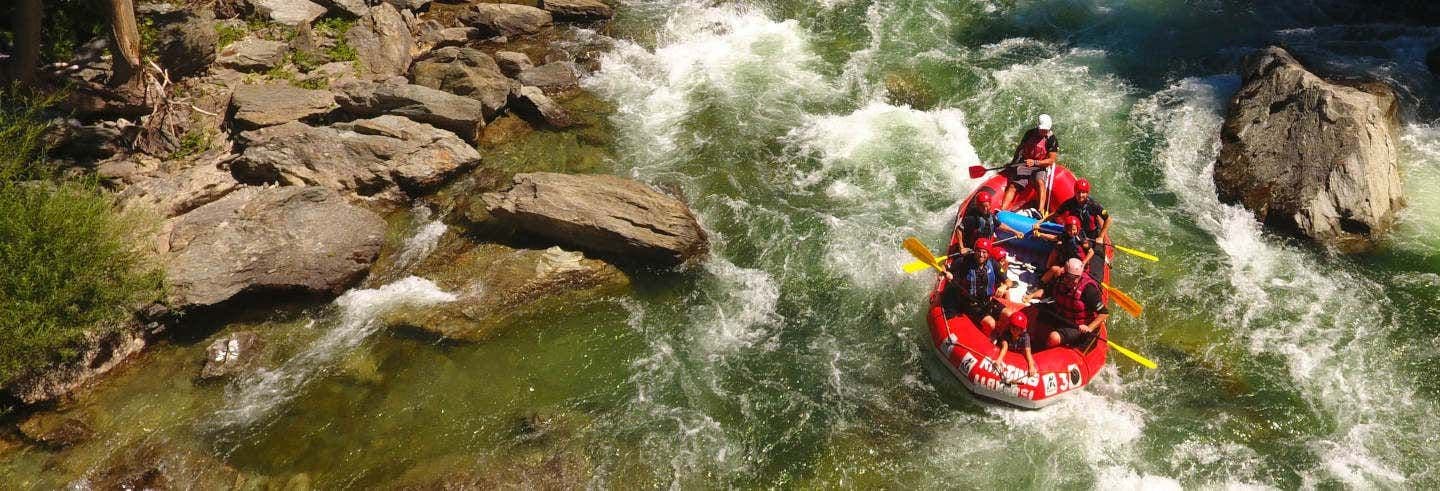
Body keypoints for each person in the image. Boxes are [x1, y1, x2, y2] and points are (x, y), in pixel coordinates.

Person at [1030, 258, 1108, 348]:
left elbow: (1104, 313)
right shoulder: (1060, 279)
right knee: (1037, 314)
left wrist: (1089, 328)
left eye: (1076, 278)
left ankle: (1044, 351)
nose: (1073, 280)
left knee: (1054, 337)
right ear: (1065, 274)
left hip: (1077, 325)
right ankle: (1034, 342)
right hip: (1062, 315)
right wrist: (1031, 296)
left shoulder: (1089, 290)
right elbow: (1046, 292)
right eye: (1069, 277)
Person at [943, 237, 1002, 333]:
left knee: (1008, 314)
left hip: (987, 301)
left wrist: (1004, 286)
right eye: (978, 251)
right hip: (970, 303)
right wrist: (948, 275)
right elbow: (946, 269)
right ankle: (986, 339)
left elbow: (1008, 281)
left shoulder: (992, 263)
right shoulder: (964, 262)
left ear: (988, 254)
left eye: (984, 252)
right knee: (991, 324)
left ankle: (1002, 337)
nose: (981, 255)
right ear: (975, 251)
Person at [1001, 114, 1059, 211]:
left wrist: (1035, 162)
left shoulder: (1052, 140)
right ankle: (1002, 210)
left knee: (1040, 182)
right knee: (1013, 185)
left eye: (1046, 130)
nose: (1044, 131)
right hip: (1025, 164)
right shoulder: (1029, 134)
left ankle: (1040, 212)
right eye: (1042, 129)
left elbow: (1051, 160)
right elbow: (1020, 149)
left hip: (1040, 165)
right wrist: (1013, 164)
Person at [1036, 178, 1111, 243]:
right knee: (1059, 245)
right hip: (1075, 231)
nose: (1081, 195)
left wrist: (1101, 237)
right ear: (1075, 192)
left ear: (1087, 193)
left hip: (1091, 234)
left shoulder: (1093, 205)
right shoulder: (1070, 203)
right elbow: (1056, 214)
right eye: (1078, 192)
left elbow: (1108, 219)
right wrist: (1041, 222)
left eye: (1083, 192)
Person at [957, 190, 1022, 251]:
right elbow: (959, 229)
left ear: (990, 204)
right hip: (975, 248)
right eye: (982, 207)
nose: (985, 209)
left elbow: (1000, 225)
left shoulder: (990, 215)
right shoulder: (972, 218)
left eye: (987, 206)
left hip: (986, 243)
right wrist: (961, 247)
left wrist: (1015, 232)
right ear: (978, 206)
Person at [1036, 215, 1093, 283]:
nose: (1071, 232)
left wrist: (1083, 263)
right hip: (1069, 259)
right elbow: (1054, 238)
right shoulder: (1065, 235)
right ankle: (1046, 271)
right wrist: (1040, 234)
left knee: (1055, 270)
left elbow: (1091, 252)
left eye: (1074, 229)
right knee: (1057, 247)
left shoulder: (1082, 240)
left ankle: (1047, 283)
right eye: (1069, 230)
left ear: (1077, 228)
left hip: (1078, 264)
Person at [991, 310, 1037, 379]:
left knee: (1028, 356)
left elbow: (1028, 351)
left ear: (1021, 330)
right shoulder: (1006, 334)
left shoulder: (1025, 337)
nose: (1014, 330)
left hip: (1017, 355)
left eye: (1017, 329)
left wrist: (1031, 366)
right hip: (1008, 352)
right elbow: (1005, 347)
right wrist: (999, 359)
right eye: (1013, 327)